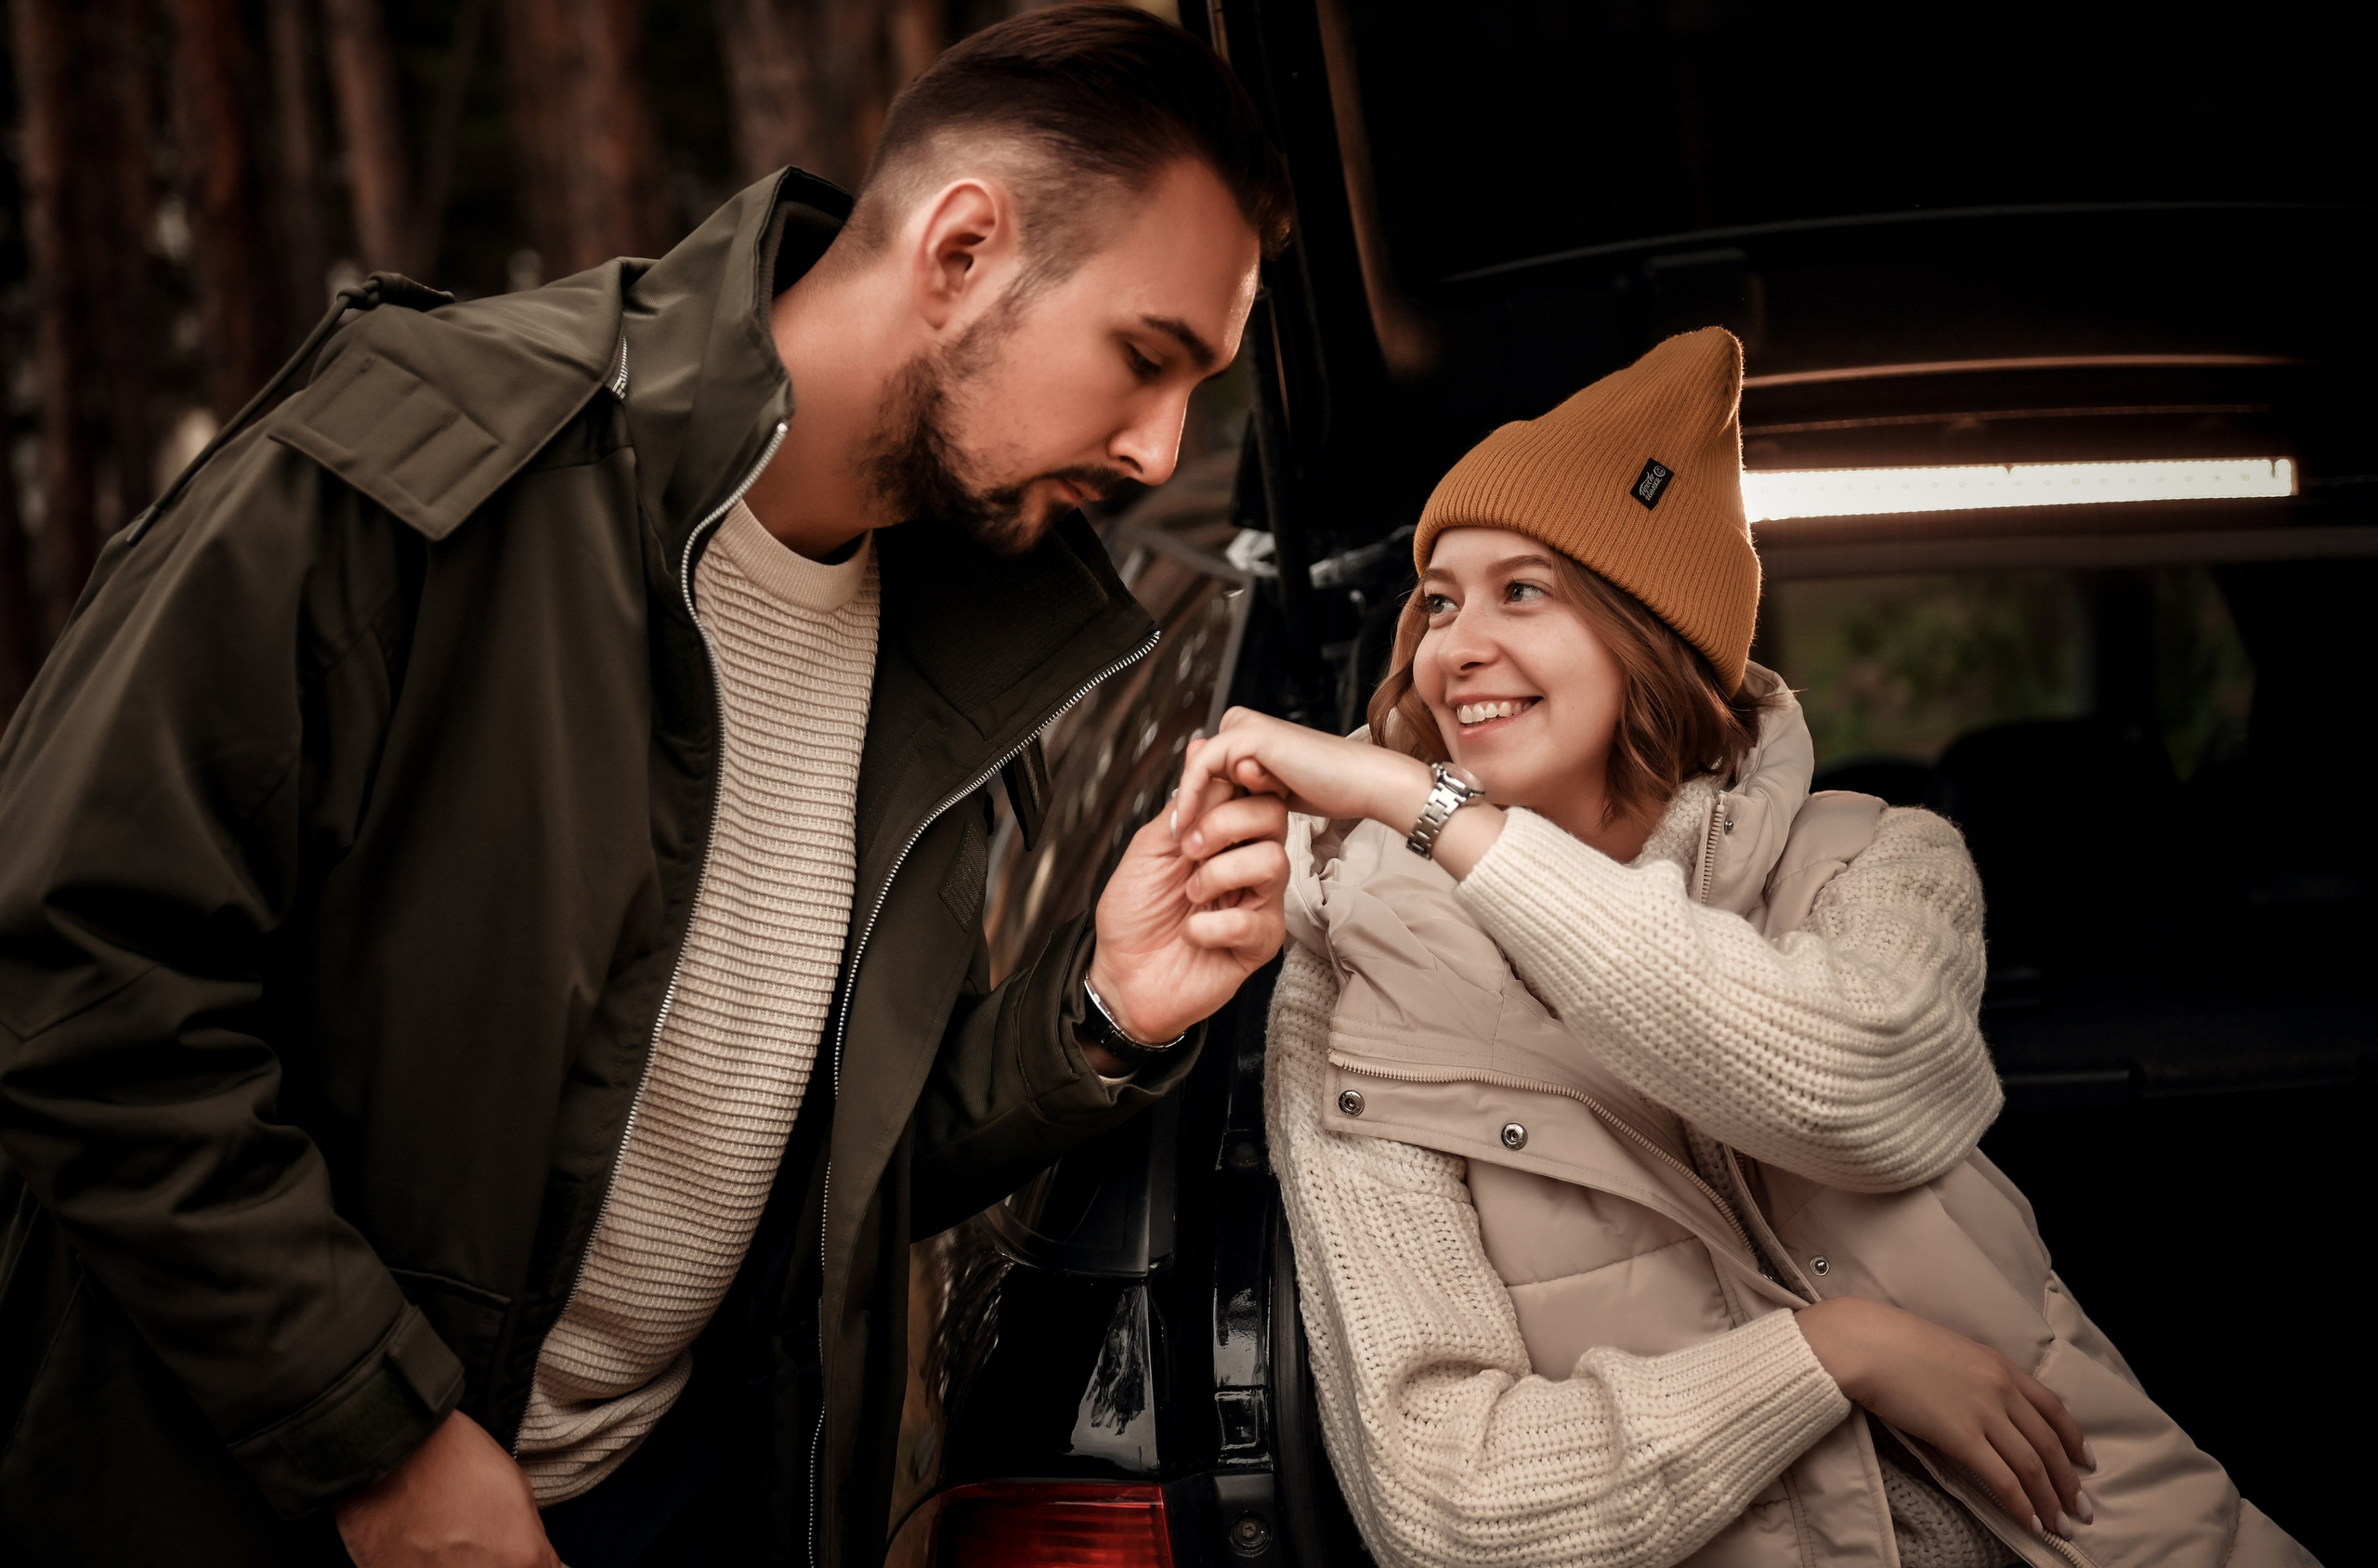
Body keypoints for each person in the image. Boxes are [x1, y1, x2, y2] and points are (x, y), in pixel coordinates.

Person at [0, 7, 1295, 1565]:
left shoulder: (960, 632)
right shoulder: (438, 451)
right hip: (255, 1502)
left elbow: (789, 1156)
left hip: (676, 1499)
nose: (1162, 451)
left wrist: (1096, 1009)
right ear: (961, 249)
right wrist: (383, 1447)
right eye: (1145, 361)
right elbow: (73, 968)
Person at [1170, 329, 2317, 1567]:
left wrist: (1446, 818)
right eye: (1438, 600)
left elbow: (1860, 1090)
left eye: (1524, 592)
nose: (1454, 644)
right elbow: (1450, 1497)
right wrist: (1832, 1356)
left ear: (1651, 632)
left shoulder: (1881, 858)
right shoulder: (1359, 983)